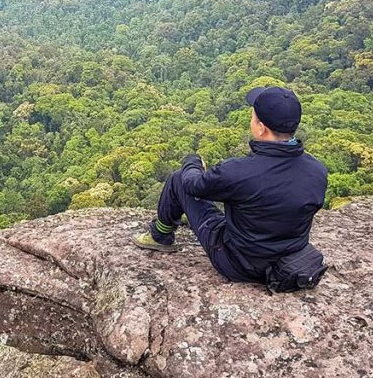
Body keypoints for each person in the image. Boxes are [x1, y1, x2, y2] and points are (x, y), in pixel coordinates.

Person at [133, 86, 328, 284]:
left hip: (239, 265)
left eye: (253, 117)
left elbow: (193, 185)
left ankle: (160, 236)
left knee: (178, 179)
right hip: (291, 262)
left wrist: (192, 162)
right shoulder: (317, 170)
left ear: (261, 128)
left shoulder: (239, 171)